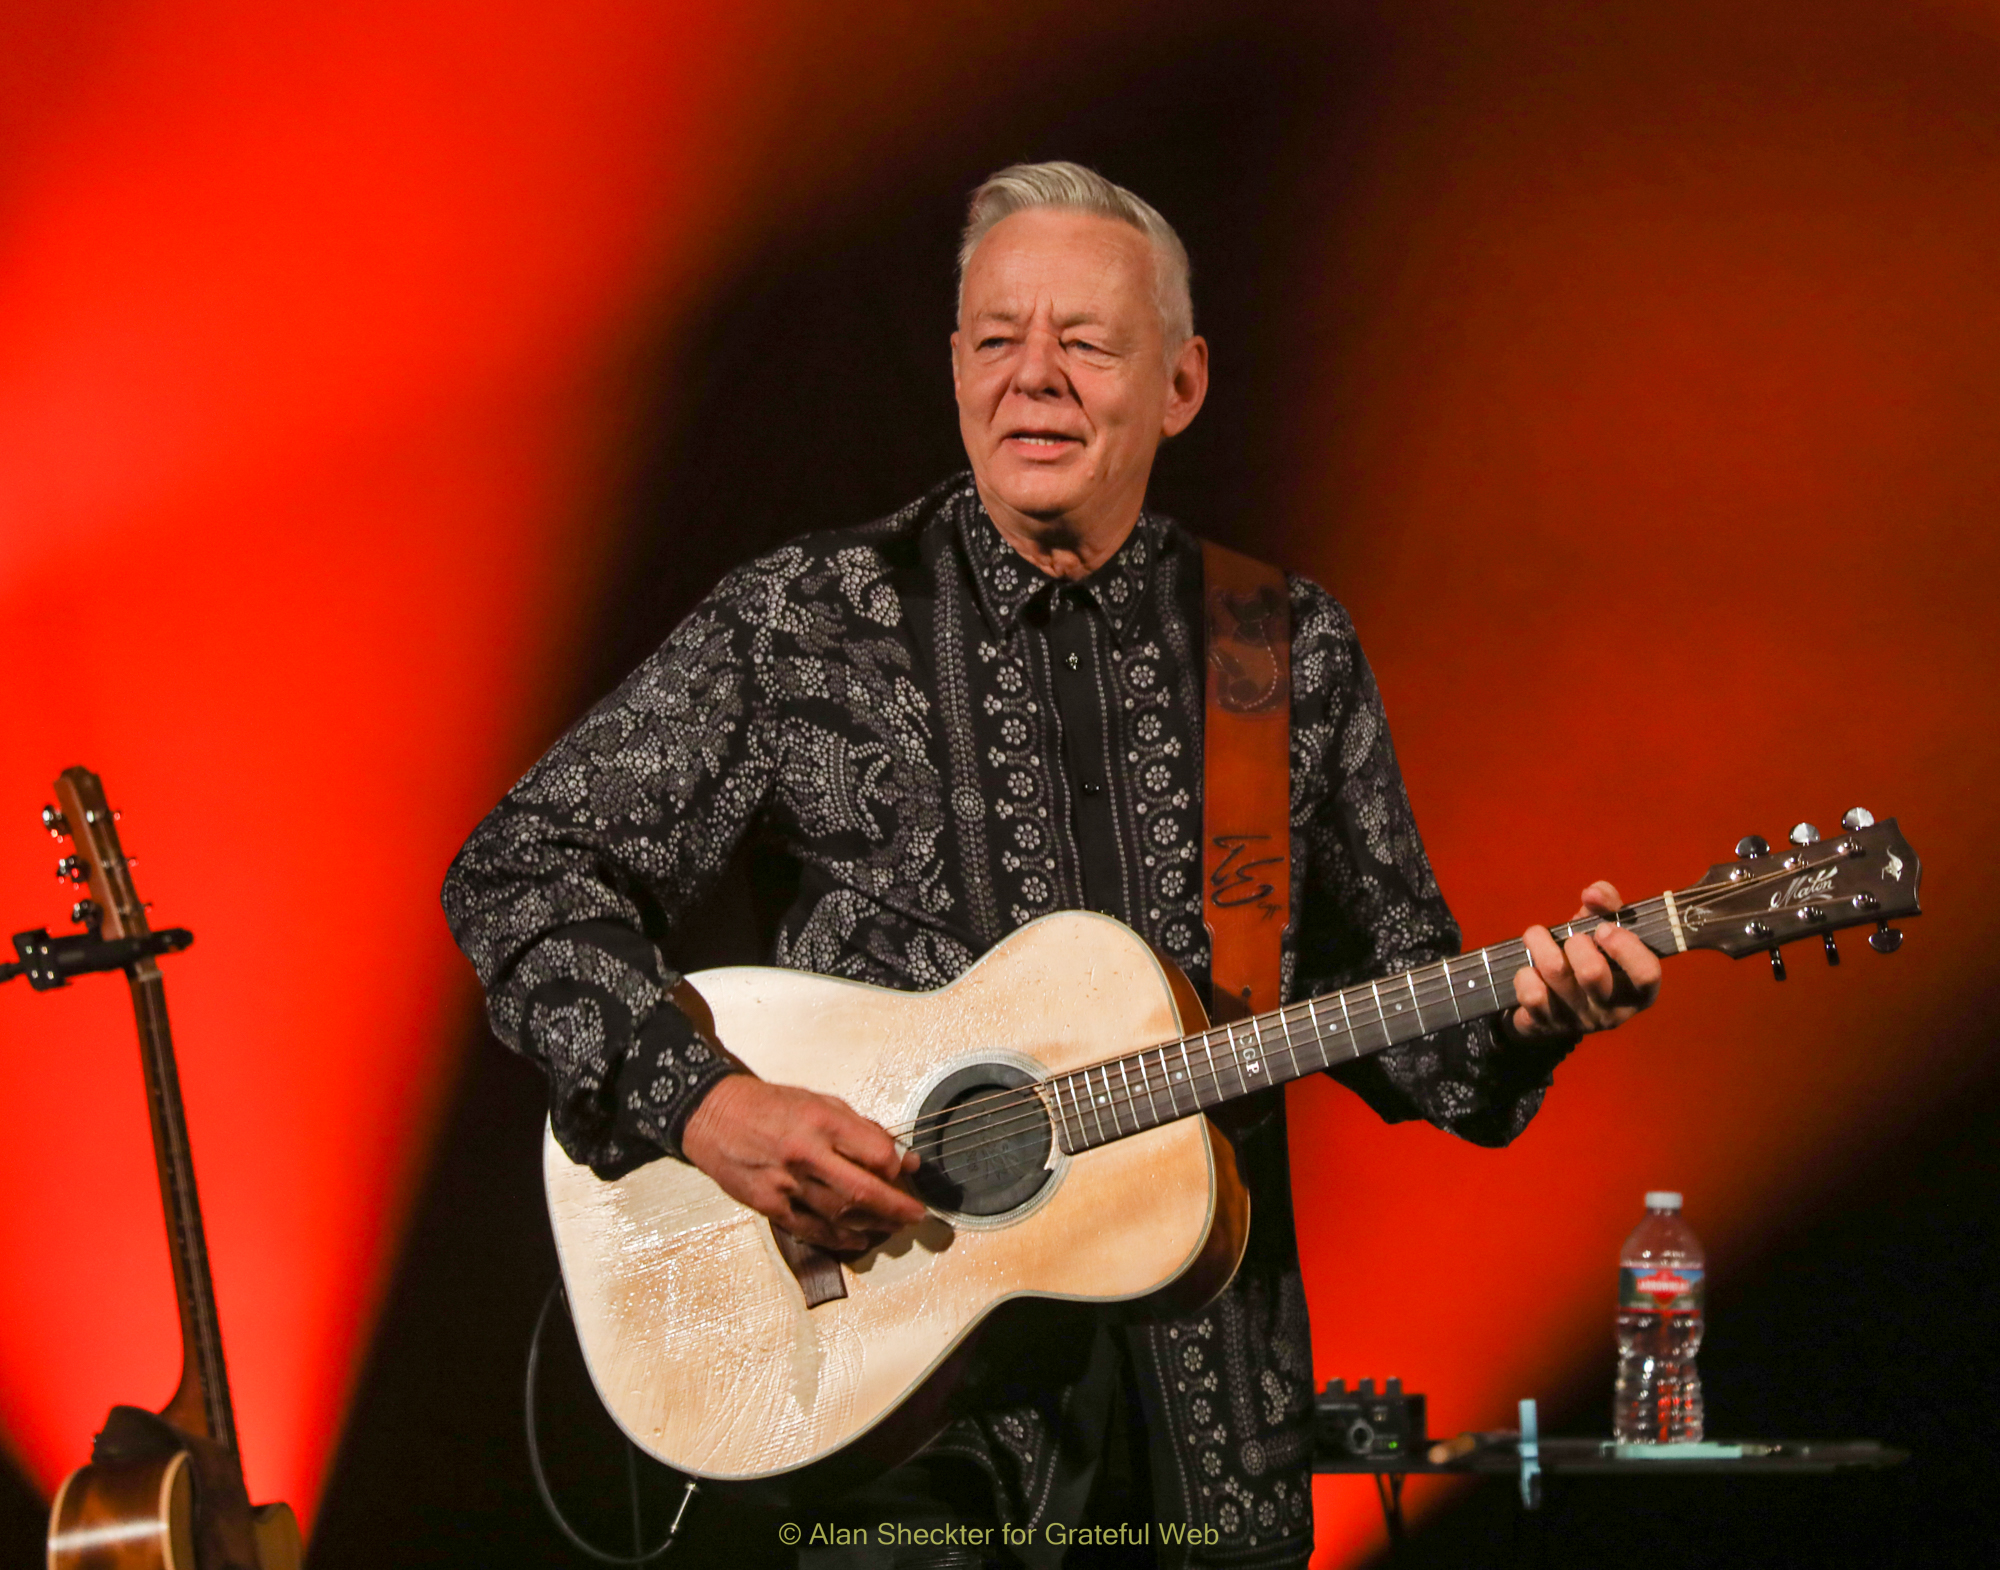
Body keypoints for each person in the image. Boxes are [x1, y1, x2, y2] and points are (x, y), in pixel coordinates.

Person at [442, 161, 1661, 1569]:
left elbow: (1410, 1026)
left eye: (1084, 341)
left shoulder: (1281, 654)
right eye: (996, 338)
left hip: (1210, 1449)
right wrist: (710, 1104)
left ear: (1183, 383)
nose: (1035, 379)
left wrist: (1527, 1013)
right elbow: (520, 873)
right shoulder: (803, 621)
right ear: (955, 367)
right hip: (899, 1448)